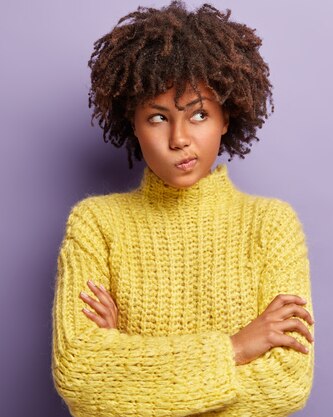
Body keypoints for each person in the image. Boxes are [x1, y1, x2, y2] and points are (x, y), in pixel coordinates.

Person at [50, 2, 315, 416]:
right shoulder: (96, 224)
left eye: (199, 114)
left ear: (226, 117)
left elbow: (285, 384)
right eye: (158, 117)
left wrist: (126, 362)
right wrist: (236, 347)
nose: (179, 138)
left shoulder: (271, 225)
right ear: (133, 123)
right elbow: (79, 374)